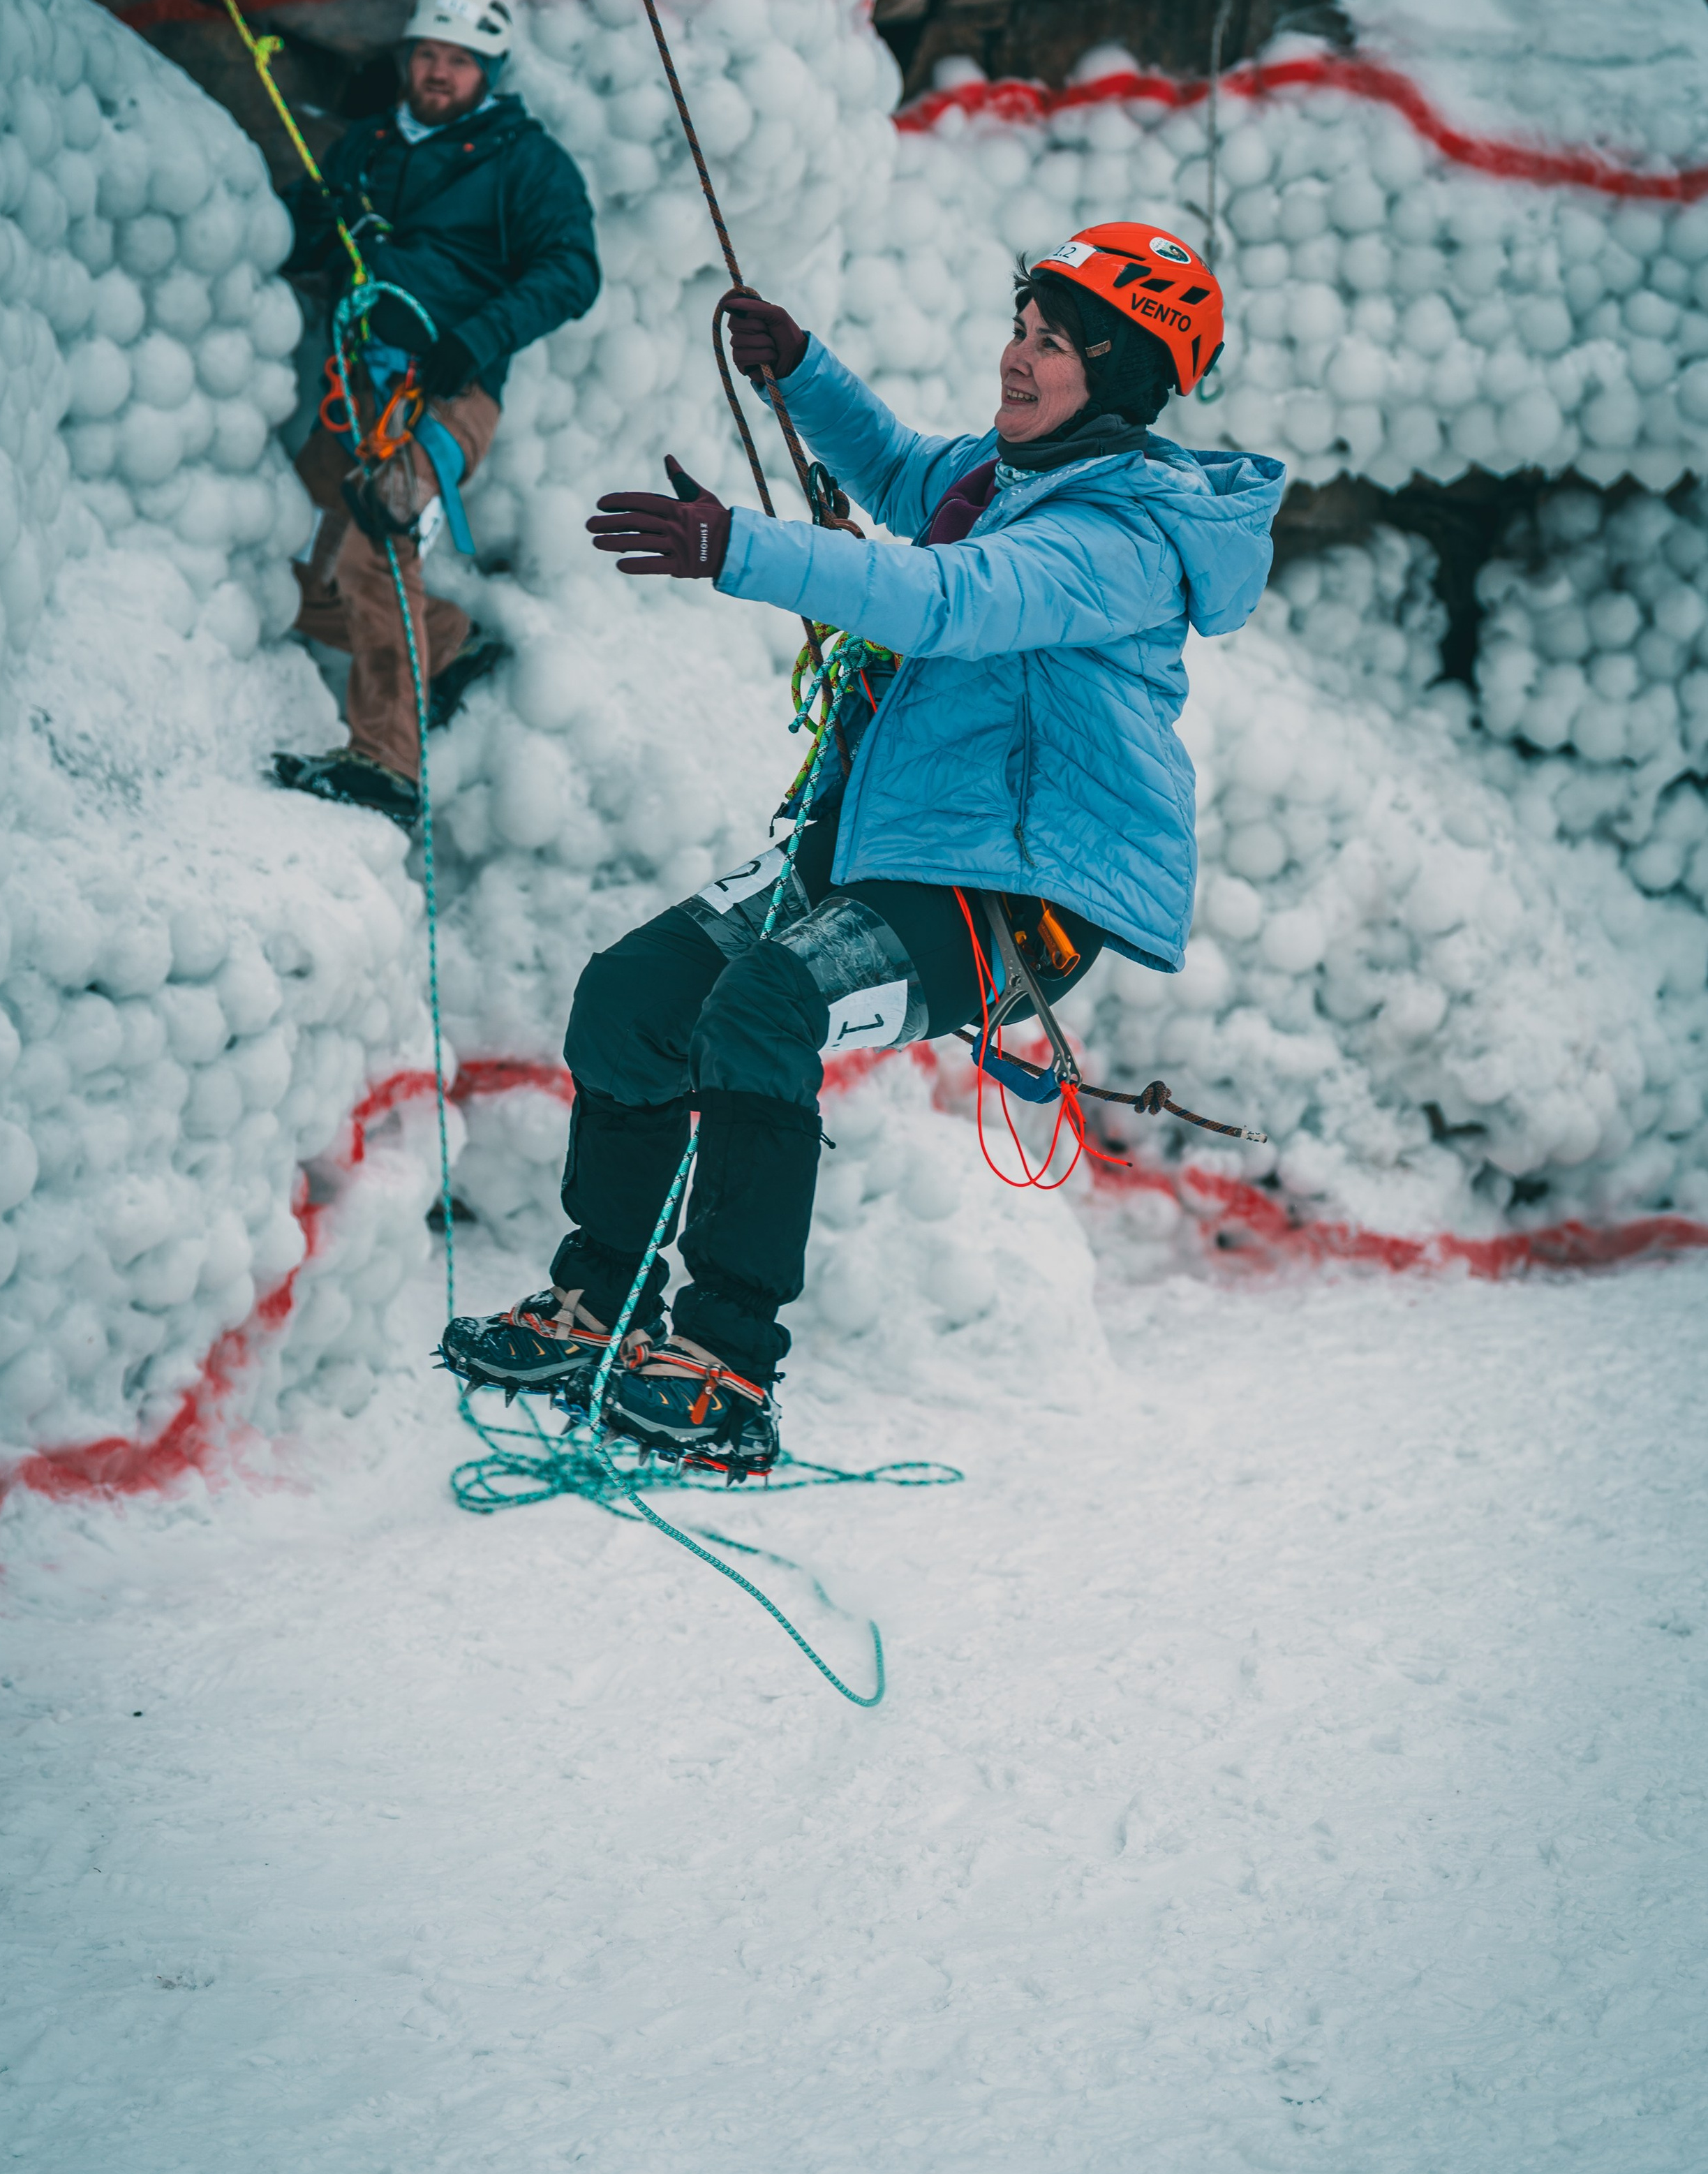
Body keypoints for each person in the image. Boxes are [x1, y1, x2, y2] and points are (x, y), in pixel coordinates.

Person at [441, 221, 1284, 1473]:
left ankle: (725, 1366)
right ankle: (596, 1310)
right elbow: (898, 470)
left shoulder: (1119, 541)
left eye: (1054, 346)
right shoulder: (1004, 475)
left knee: (762, 1011)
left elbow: (948, 601)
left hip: (1010, 900)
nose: (1018, 358)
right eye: (1022, 328)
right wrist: (803, 373)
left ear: (1121, 379)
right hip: (882, 845)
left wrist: (739, 548)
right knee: (630, 999)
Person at [274, 0, 600, 823]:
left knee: (377, 534)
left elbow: (572, 270)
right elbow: (309, 233)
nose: (438, 72)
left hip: (448, 395)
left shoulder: (525, 162)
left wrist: (473, 340)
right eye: (427, 54)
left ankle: (387, 765)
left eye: (458, 60)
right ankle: (445, 643)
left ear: (488, 69)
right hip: (353, 392)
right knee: (301, 578)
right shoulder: (369, 147)